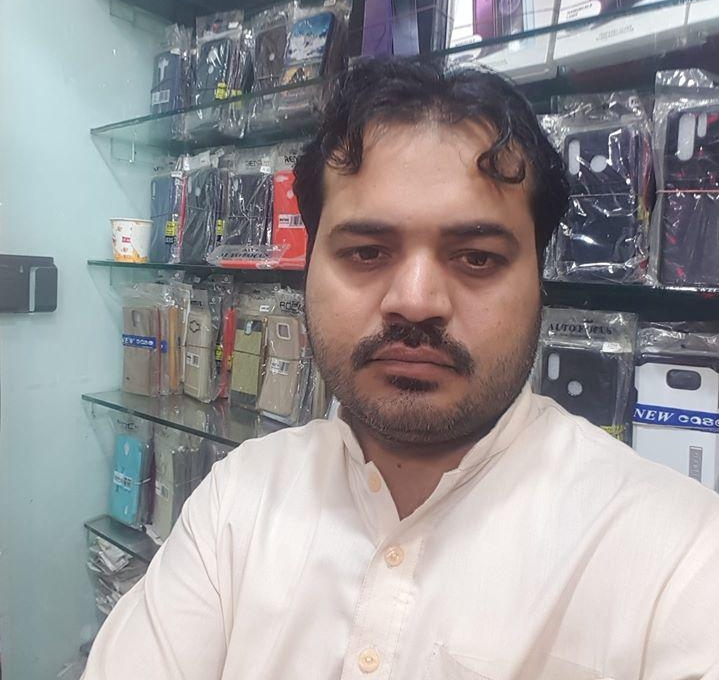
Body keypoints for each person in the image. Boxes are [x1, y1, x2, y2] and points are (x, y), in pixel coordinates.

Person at [83, 60, 719, 680]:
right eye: (366, 252)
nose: (415, 301)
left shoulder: (679, 556)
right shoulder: (240, 498)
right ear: (308, 270)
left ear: (541, 283)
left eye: (476, 257)